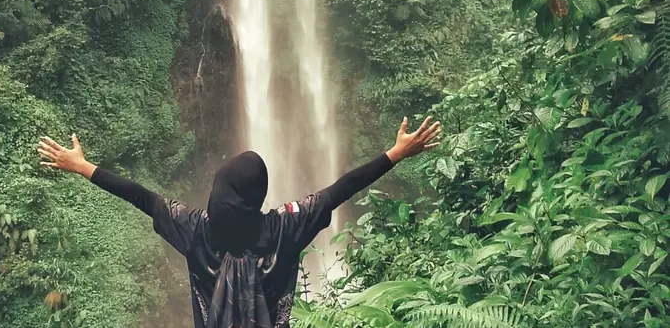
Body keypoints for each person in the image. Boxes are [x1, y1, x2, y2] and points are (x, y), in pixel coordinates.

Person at [37, 116, 441, 328]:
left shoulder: (195, 230)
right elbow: (340, 190)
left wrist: (83, 166)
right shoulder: (285, 229)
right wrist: (395, 154)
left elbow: (141, 196)